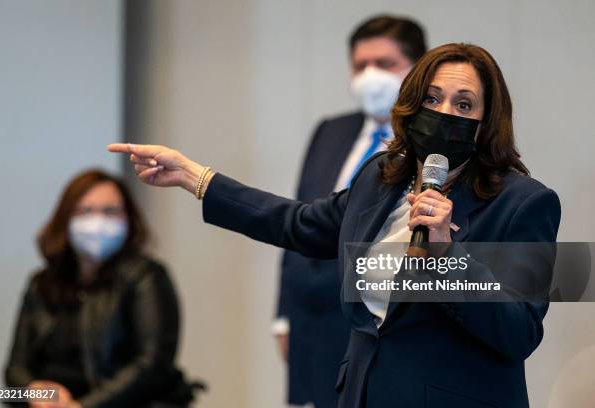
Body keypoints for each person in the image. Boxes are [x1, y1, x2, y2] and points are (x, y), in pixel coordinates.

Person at [109, 43, 561, 408]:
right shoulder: (381, 176)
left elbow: (519, 333)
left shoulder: (524, 203)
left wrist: (446, 257)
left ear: (487, 122)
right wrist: (195, 177)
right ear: (412, 104)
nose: (445, 112)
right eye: (432, 98)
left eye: (464, 103)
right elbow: (298, 223)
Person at [273, 15, 426, 408]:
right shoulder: (330, 131)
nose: (371, 75)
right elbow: (298, 222)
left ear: (418, 67)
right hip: (317, 325)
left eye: (385, 64)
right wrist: (284, 316)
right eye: (361, 65)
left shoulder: (432, 144)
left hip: (387, 325)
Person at [4, 170, 204, 408]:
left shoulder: (145, 276)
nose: (97, 222)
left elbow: (152, 366)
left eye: (111, 212)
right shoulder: (42, 283)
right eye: (85, 211)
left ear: (129, 220)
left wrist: (81, 407)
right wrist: (35, 394)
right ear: (65, 219)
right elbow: (11, 375)